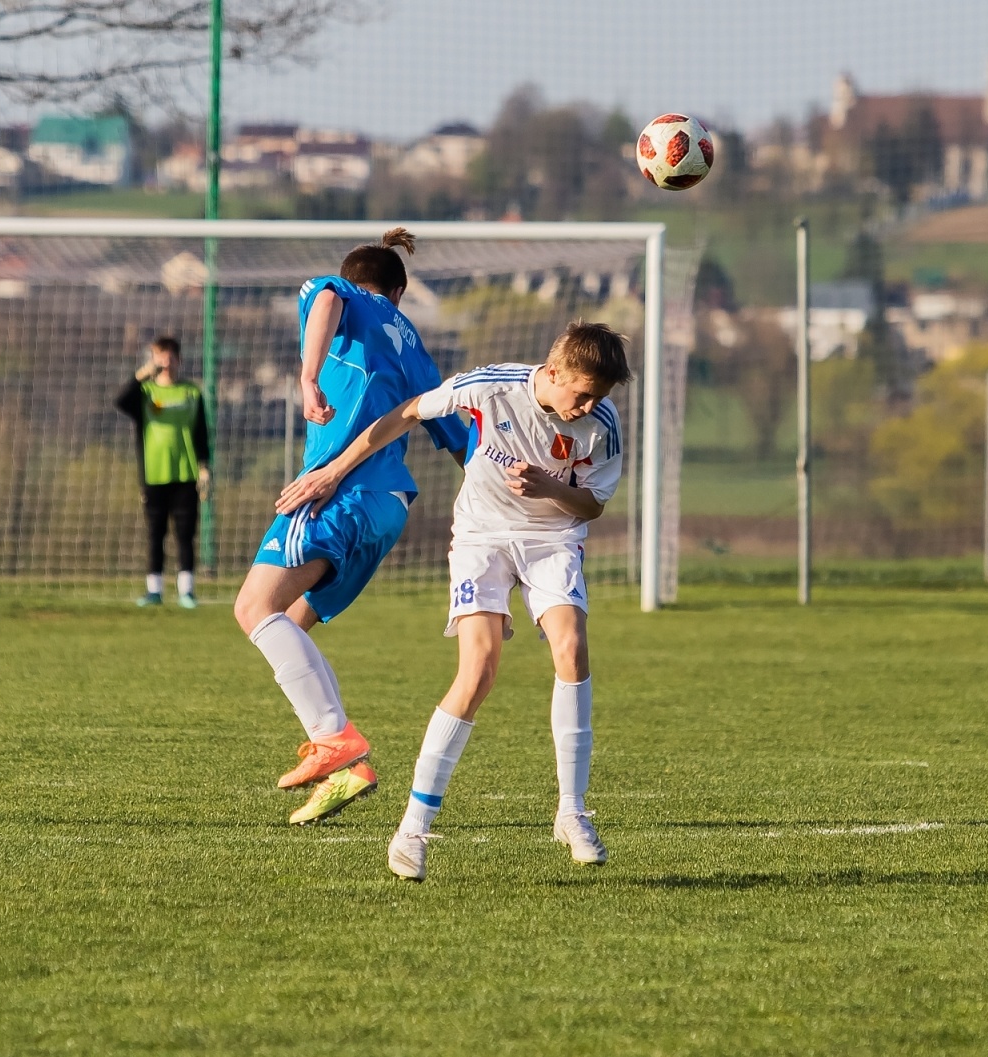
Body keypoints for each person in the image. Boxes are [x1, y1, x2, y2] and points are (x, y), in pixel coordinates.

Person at [274, 322, 631, 880]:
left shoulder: (600, 425)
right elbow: (411, 411)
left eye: (598, 397)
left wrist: (549, 489)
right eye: (581, 392)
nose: (587, 405)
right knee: (479, 670)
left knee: (572, 646)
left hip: (551, 539)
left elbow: (590, 508)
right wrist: (333, 470)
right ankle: (412, 830)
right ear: (554, 370)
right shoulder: (491, 387)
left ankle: (572, 811)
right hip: (481, 538)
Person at [232, 228, 469, 827]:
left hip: (341, 492)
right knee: (290, 625)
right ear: (401, 291)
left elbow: (327, 300)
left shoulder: (343, 295)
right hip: (389, 508)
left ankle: (336, 740)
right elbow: (459, 438)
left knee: (253, 607)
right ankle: (345, 770)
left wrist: (308, 377)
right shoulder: (414, 346)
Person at [116, 335, 212, 609]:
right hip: (154, 475)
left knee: (185, 533)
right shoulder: (145, 394)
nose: (166, 362)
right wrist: (142, 375)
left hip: (185, 473)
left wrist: (204, 466)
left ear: (179, 360)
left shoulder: (191, 393)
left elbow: (202, 433)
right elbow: (120, 401)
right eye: (160, 356)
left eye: (170, 357)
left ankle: (187, 591)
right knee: (155, 533)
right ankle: (154, 590)